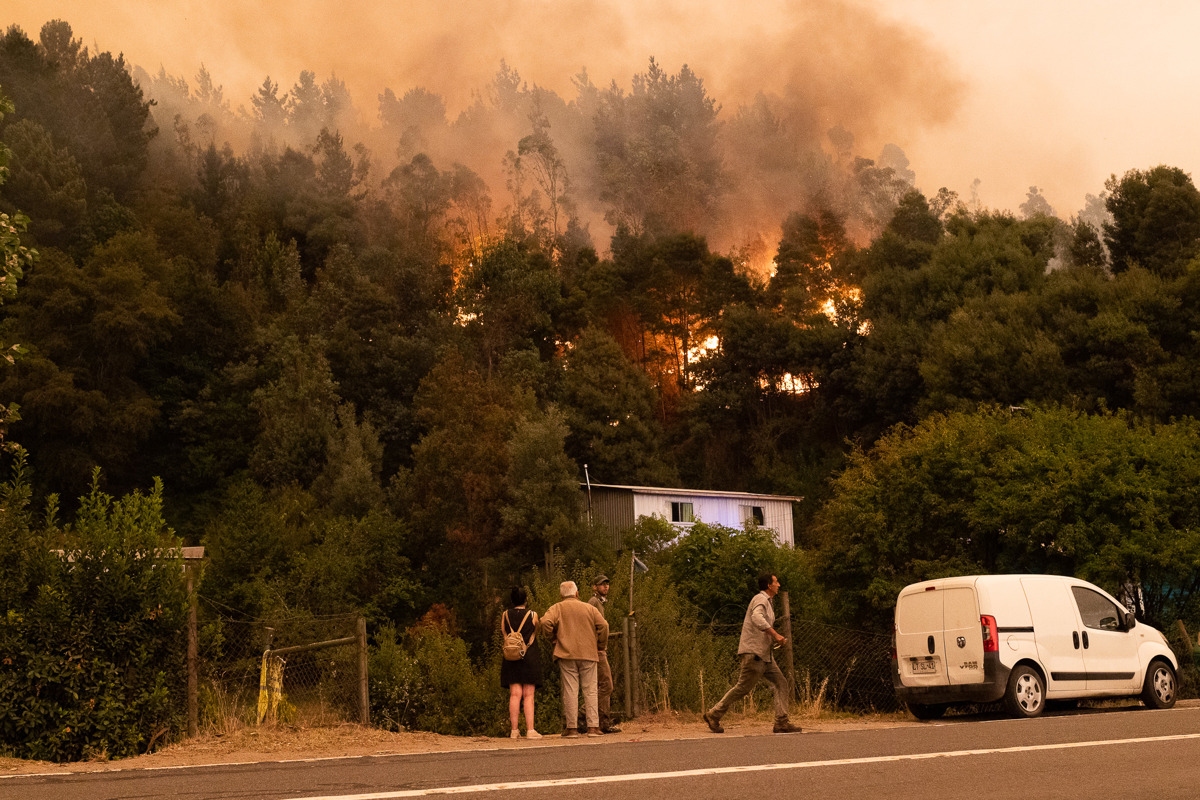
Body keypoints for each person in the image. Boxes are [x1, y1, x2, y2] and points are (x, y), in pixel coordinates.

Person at [702, 573, 802, 734]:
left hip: (764, 655)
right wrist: (775, 635)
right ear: (769, 585)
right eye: (776, 582)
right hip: (754, 653)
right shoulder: (760, 599)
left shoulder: (767, 602)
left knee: (781, 683)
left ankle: (781, 722)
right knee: (742, 688)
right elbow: (756, 618)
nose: (779, 585)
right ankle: (714, 714)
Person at [539, 580, 609, 738]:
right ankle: (593, 728)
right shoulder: (589, 608)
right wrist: (600, 646)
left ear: (561, 595)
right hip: (589, 653)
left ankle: (571, 729)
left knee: (570, 690)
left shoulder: (557, 607)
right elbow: (604, 626)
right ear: (577, 594)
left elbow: (545, 622)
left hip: (566, 653)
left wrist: (553, 639)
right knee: (590, 690)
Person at [500, 586, 543, 739]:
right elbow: (537, 630)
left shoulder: (505, 615)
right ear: (526, 599)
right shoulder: (533, 615)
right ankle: (530, 730)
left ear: (512, 600)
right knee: (528, 694)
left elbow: (505, 634)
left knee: (514, 694)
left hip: (511, 658)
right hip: (529, 656)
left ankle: (514, 730)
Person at [586, 574, 621, 733]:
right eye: (601, 584)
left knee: (600, 685)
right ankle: (601, 722)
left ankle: (594, 719)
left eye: (607, 584)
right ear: (595, 587)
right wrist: (601, 646)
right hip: (597, 650)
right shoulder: (594, 602)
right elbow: (599, 626)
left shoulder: (598, 602)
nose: (605, 587)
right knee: (606, 685)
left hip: (594, 648)